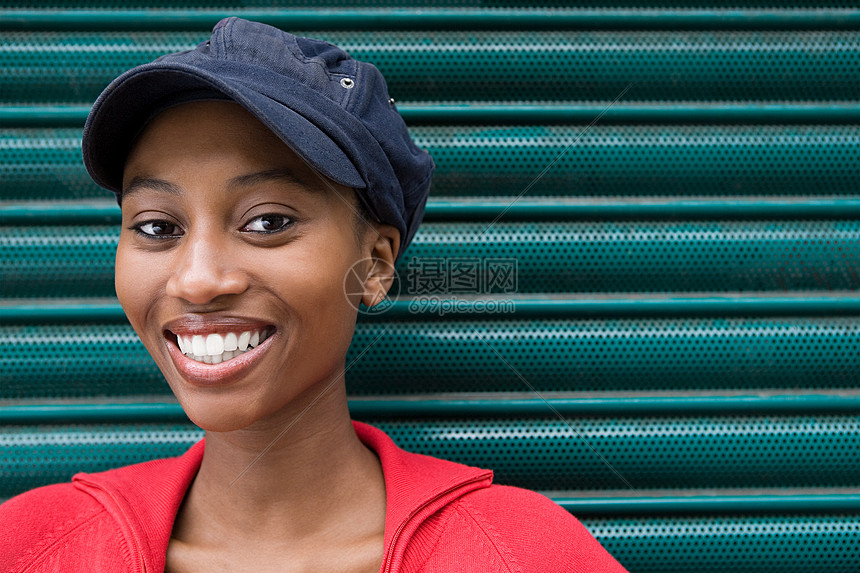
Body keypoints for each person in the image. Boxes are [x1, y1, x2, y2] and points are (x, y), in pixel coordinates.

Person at [0, 17, 628, 572]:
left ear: (376, 266)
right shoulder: (30, 547)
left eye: (268, 221)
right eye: (157, 227)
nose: (196, 280)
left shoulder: (522, 555)